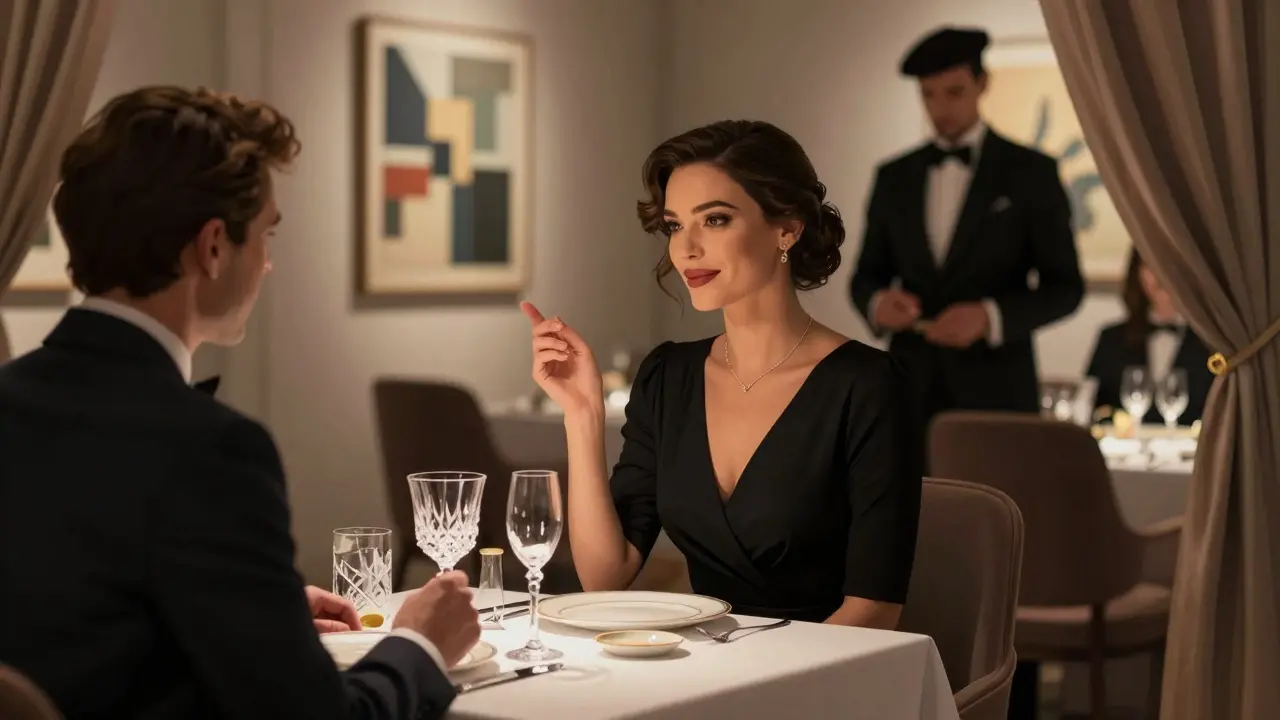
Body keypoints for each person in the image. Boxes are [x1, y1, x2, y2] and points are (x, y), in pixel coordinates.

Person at [0, 86, 479, 720]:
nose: (269, 265)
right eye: (265, 235)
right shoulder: (210, 451)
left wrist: (258, 610)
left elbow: (77, 624)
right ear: (214, 246)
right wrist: (420, 643)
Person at [521, 120, 922, 628]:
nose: (686, 248)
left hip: (824, 681)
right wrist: (582, 413)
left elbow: (875, 608)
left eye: (714, 220)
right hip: (709, 667)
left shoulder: (870, 385)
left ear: (787, 228)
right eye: (673, 225)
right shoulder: (668, 375)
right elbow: (604, 576)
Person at [849, 26, 1085, 433]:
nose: (941, 109)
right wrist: (877, 303)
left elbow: (1066, 287)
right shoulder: (893, 177)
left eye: (954, 92)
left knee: (997, 497)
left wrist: (990, 317)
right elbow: (865, 274)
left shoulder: (1031, 172)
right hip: (907, 391)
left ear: (983, 83)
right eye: (928, 95)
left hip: (997, 393)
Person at [1085, 249, 1213, 425]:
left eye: (1170, 266)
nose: (1161, 275)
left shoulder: (1212, 343)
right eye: (1150, 264)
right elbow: (1093, 410)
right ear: (1137, 273)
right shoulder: (1111, 339)